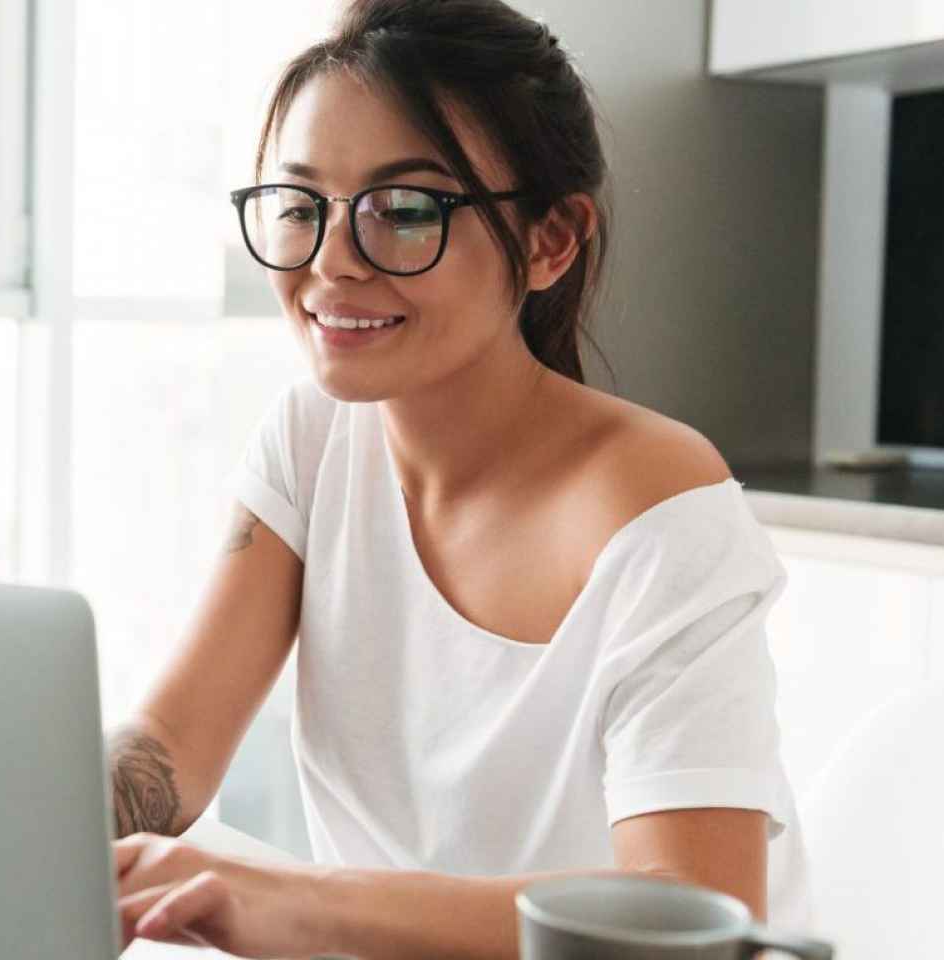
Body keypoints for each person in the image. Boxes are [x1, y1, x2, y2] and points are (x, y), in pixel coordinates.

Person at [103, 1, 810, 956]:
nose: (331, 264)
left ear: (552, 240)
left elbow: (696, 910)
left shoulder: (662, 511)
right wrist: (45, 817)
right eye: (302, 206)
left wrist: (290, 897)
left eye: (405, 210)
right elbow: (169, 753)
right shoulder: (312, 437)